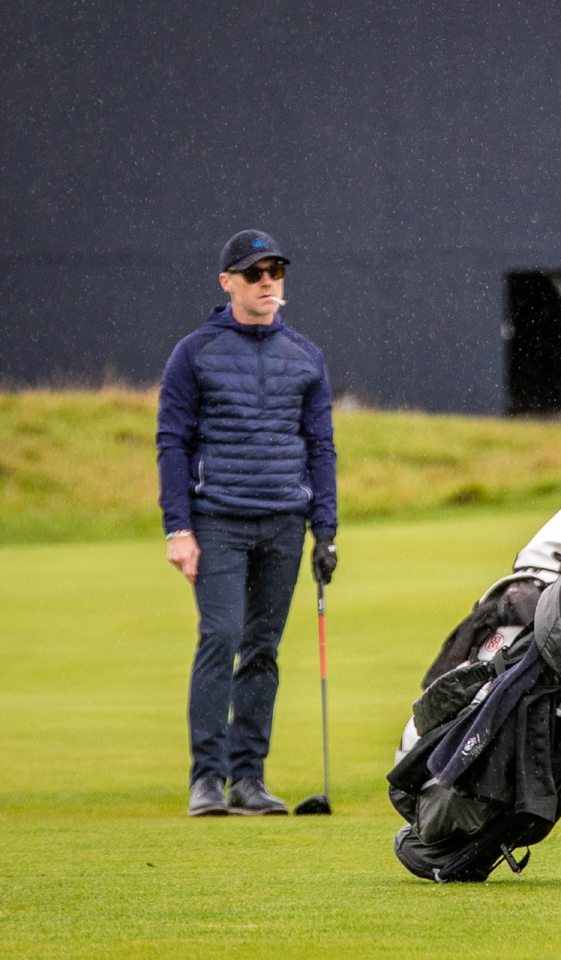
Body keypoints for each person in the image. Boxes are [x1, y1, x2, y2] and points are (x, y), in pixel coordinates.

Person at [157, 229, 339, 817]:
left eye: (276, 272)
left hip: (284, 522)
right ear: (227, 282)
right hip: (219, 521)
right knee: (221, 638)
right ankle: (206, 780)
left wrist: (326, 530)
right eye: (255, 273)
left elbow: (321, 446)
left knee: (262, 648)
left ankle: (249, 780)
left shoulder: (306, 356)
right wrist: (177, 529)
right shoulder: (194, 353)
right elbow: (173, 443)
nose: (268, 283)